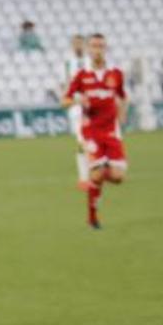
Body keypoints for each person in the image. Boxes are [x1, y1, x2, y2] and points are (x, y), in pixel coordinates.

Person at [62, 33, 128, 230]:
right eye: (93, 46)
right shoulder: (82, 75)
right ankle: (92, 217)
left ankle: (95, 175)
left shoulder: (116, 74)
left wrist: (122, 116)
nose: (97, 50)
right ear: (88, 50)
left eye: (100, 46)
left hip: (111, 131)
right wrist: (77, 100)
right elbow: (64, 100)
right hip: (91, 131)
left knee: (117, 177)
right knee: (97, 175)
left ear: (105, 48)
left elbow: (123, 97)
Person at [62, 34, 90, 193]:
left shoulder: (90, 61)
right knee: (81, 141)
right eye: (75, 43)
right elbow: (66, 83)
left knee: (96, 140)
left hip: (93, 106)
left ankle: (99, 171)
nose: (78, 46)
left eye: (80, 43)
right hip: (76, 106)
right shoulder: (68, 63)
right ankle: (83, 178)